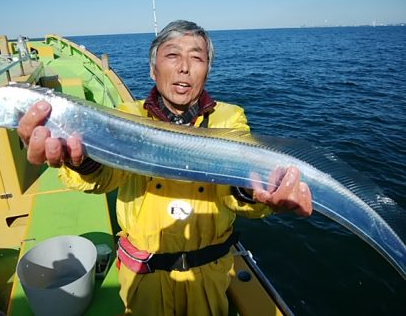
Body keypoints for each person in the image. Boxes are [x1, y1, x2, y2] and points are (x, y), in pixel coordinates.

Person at [18, 20, 312, 316]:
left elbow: (235, 192)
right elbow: (106, 177)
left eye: (196, 57)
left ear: (207, 70)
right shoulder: (126, 116)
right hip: (143, 278)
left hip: (209, 278)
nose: (184, 67)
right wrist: (82, 161)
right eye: (172, 55)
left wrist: (253, 193)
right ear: (152, 69)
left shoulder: (229, 120)